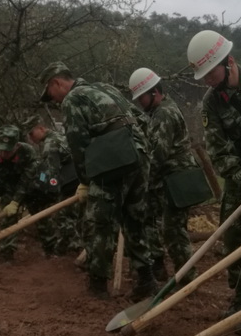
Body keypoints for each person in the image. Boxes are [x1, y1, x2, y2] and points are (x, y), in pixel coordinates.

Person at [39, 61, 156, 301]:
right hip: (139, 155)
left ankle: (97, 287)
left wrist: (85, 181)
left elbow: (78, 144)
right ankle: (146, 280)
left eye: (50, 94)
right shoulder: (105, 88)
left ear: (56, 83)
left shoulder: (72, 100)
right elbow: (141, 120)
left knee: (101, 223)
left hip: (113, 162)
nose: (53, 100)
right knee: (135, 219)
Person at [187, 30, 241, 317]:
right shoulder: (212, 103)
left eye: (210, 74)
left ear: (230, 62)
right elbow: (219, 152)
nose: (208, 81)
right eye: (204, 77)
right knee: (235, 236)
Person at [128, 67, 199, 283]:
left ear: (154, 92)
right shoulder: (157, 112)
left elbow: (157, 155)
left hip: (177, 179)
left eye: (142, 97)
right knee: (157, 223)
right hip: (168, 180)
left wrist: (140, 182)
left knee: (173, 231)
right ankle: (160, 269)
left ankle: (187, 279)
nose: (140, 102)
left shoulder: (164, 114)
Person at [0, 125, 43, 261]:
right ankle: (6, 255)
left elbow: (26, 180)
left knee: (42, 217)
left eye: (8, 151)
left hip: (32, 186)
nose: (3, 153)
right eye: (1, 150)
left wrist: (16, 202)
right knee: (9, 219)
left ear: (17, 146)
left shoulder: (27, 152)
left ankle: (52, 253)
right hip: (7, 185)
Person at [28, 123, 82, 256]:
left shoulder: (49, 145)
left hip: (70, 182)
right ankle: (69, 247)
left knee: (62, 216)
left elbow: (51, 172)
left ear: (41, 128)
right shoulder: (59, 136)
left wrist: (40, 183)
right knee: (76, 215)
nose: (30, 138)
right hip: (80, 177)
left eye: (31, 133)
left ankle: (75, 247)